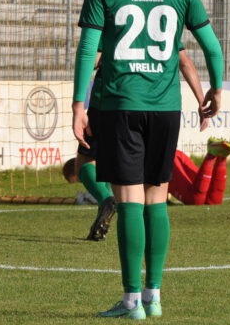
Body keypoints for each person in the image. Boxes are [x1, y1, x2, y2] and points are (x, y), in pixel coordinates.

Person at [72, 0, 224, 321]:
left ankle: (129, 303)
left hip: (120, 104)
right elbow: (211, 47)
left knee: (128, 199)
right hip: (164, 107)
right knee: (157, 196)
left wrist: (78, 106)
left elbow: (89, 51)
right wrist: (216, 88)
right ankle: (154, 296)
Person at [69, 48, 209, 242]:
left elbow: (93, 59)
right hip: (159, 104)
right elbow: (185, 62)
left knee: (85, 162)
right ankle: (152, 268)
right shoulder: (164, 18)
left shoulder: (112, 19)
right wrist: (202, 100)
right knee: (149, 185)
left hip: (110, 102)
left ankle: (106, 199)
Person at [64, 136, 230, 211]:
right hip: (173, 156)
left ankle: (211, 155)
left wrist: (89, 196)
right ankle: (221, 157)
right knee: (212, 200)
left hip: (165, 163)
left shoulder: (101, 170)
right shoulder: (108, 160)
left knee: (196, 200)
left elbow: (113, 193)